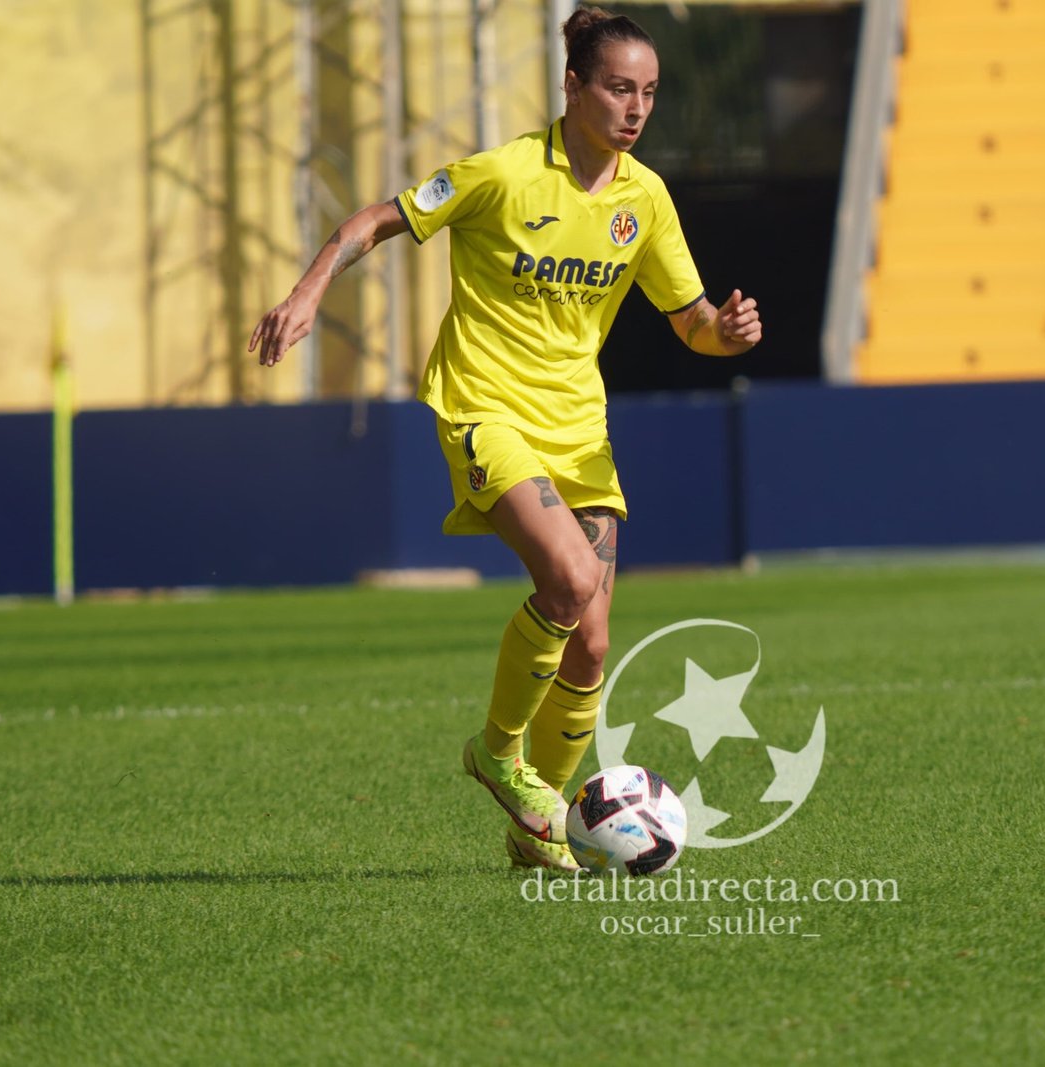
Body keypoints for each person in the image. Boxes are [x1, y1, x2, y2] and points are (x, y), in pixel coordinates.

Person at [248, 6, 761, 871]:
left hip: (579, 430)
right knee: (567, 575)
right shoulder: (506, 171)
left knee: (594, 642)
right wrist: (307, 292)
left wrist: (729, 332)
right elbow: (376, 218)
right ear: (573, 85)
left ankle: (541, 831)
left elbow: (689, 322)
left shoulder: (646, 198)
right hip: (486, 409)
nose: (635, 108)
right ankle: (496, 753)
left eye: (649, 93)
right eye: (618, 87)